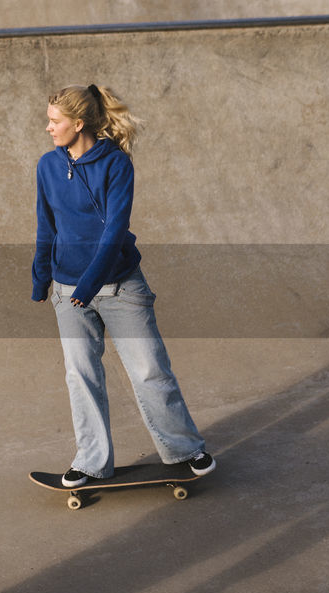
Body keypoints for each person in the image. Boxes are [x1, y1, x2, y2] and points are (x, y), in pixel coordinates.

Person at [31, 83, 216, 487]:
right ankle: (91, 461)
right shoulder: (48, 165)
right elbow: (46, 225)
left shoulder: (116, 165)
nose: (47, 128)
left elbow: (115, 231)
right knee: (80, 376)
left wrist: (89, 284)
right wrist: (41, 277)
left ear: (78, 124)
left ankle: (184, 449)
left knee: (149, 369)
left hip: (118, 286)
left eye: (54, 121)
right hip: (66, 290)